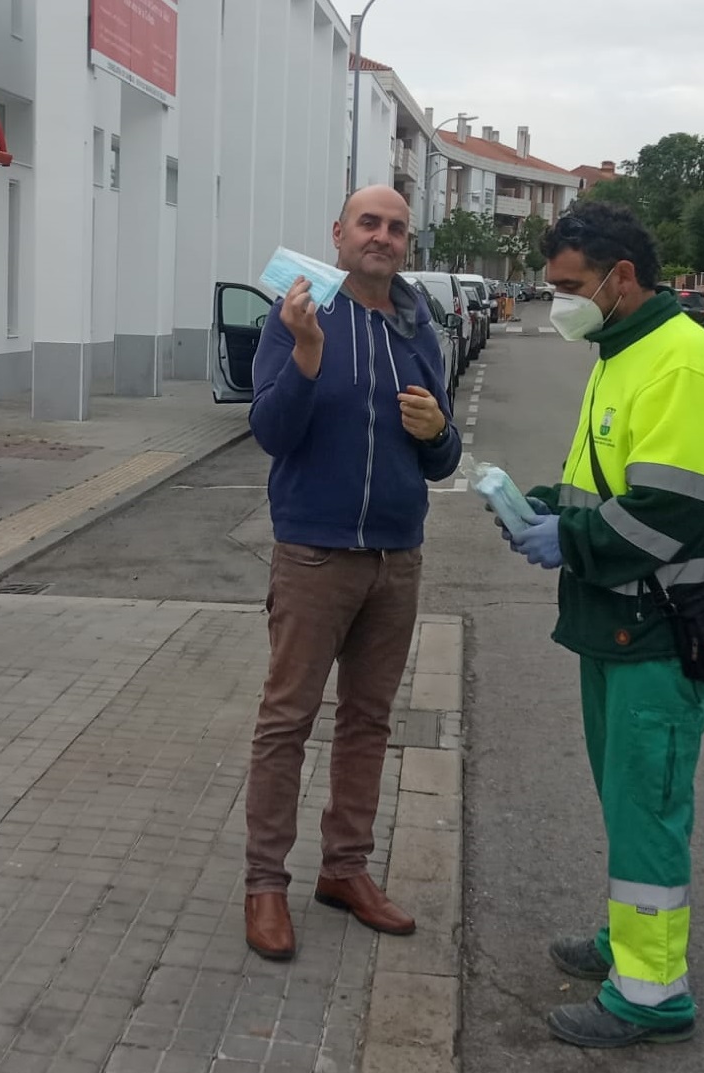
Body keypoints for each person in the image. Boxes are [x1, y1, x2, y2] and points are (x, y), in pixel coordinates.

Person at [503, 200, 704, 1048]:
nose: (557, 299)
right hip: (616, 624)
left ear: (621, 279)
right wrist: (542, 507)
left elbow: (665, 515)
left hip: (660, 627)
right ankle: (627, 943)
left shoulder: (678, 362)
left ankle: (650, 995)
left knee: (648, 802)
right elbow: (607, 485)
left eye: (569, 286)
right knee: (626, 797)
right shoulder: (624, 351)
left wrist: (565, 538)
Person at [244, 186, 462, 960]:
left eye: (396, 228)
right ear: (337, 233)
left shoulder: (417, 325)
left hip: (395, 556)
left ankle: (344, 870)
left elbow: (441, 455)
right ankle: (265, 883)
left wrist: (440, 432)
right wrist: (305, 355)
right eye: (368, 223)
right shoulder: (301, 312)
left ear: (409, 243)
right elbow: (270, 431)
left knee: (368, 722)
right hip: (313, 553)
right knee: (286, 721)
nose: (382, 237)